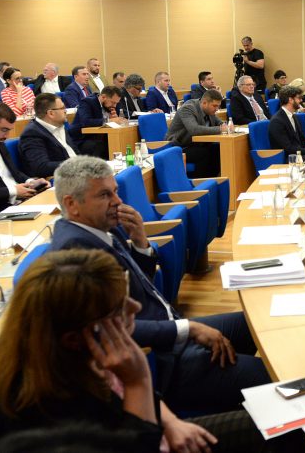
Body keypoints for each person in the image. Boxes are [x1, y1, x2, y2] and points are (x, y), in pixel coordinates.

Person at [0, 249, 285, 453]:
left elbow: (142, 405)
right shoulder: (54, 411)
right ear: (73, 338)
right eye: (119, 309)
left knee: (283, 423)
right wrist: (139, 381)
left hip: (154, 429)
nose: (134, 309)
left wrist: (170, 421)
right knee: (283, 429)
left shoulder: (86, 355)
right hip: (145, 441)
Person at [49, 157, 272, 415]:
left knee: (256, 322)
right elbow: (111, 331)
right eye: (104, 195)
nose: (118, 201)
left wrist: (140, 242)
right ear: (72, 204)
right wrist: (188, 329)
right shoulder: (74, 251)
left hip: (168, 328)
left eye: (115, 191)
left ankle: (235, 402)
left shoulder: (101, 227)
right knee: (271, 376)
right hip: (162, 361)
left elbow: (139, 289)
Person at [165, 90, 226, 178]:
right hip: (179, 146)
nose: (217, 109)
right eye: (215, 106)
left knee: (218, 148)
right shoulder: (188, 108)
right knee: (203, 153)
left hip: (195, 144)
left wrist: (225, 125)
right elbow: (194, 129)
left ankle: (213, 179)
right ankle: (200, 181)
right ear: (204, 103)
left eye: (218, 106)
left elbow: (220, 123)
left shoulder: (209, 110)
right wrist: (220, 129)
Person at [18, 93, 78, 178]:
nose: (66, 111)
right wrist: (75, 165)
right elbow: (41, 167)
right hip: (61, 178)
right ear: (51, 113)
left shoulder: (59, 125)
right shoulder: (32, 134)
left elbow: (75, 152)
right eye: (62, 108)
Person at [70, 87, 127, 158]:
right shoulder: (87, 102)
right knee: (102, 145)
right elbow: (86, 122)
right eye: (113, 102)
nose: (115, 105)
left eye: (116, 103)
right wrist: (109, 121)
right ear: (103, 97)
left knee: (120, 140)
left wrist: (116, 119)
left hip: (102, 137)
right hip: (82, 139)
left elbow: (118, 118)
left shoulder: (112, 104)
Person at [268, 85, 305, 159]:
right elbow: (288, 148)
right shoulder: (277, 121)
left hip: (298, 154)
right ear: (290, 100)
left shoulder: (294, 117)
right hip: (289, 158)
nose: (301, 100)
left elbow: (303, 141)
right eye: (299, 98)